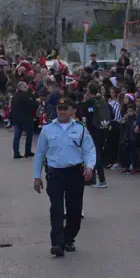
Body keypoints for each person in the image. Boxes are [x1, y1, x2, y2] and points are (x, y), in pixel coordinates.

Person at [33, 98, 96, 257]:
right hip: (55, 174)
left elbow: (89, 149)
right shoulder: (47, 129)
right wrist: (36, 176)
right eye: (59, 108)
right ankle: (58, 243)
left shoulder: (80, 128)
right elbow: (40, 153)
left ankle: (68, 238)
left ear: (71, 110)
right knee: (57, 209)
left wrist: (89, 167)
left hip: (75, 173)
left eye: (65, 108)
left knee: (74, 211)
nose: (61, 112)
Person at [10, 82, 36, 159]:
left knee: (17, 136)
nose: (27, 88)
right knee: (29, 135)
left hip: (16, 119)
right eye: (25, 87)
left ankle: (16, 153)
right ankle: (27, 151)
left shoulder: (15, 96)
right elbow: (31, 105)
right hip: (25, 119)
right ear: (20, 88)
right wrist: (36, 102)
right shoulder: (24, 96)